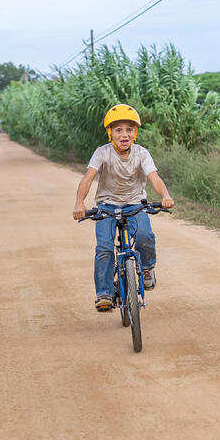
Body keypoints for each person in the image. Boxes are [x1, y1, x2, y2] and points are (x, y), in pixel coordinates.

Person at [73, 104, 174, 312]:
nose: (124, 134)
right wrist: (79, 203)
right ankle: (104, 294)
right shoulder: (102, 153)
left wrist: (165, 196)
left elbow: (154, 178)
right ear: (110, 133)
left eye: (129, 129)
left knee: (145, 236)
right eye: (118, 130)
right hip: (106, 207)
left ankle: (146, 269)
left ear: (135, 133)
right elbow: (88, 178)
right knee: (104, 248)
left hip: (135, 205)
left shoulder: (141, 153)